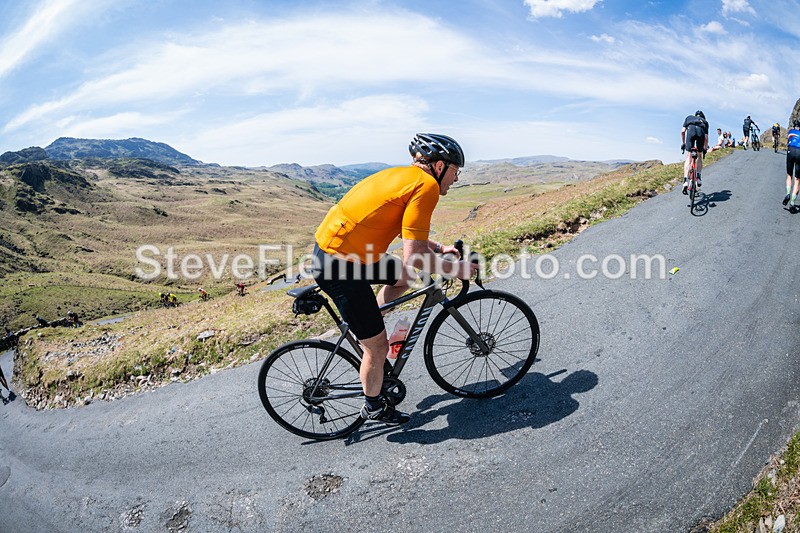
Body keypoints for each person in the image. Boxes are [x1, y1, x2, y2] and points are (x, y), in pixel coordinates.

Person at [312, 133, 477, 425]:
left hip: (345, 252)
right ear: (440, 166)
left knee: (405, 277)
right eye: (455, 171)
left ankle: (369, 327)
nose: (456, 178)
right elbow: (416, 257)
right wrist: (459, 270)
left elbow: (406, 231)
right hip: (340, 266)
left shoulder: (405, 177)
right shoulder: (426, 186)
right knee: (379, 348)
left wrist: (439, 249)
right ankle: (374, 406)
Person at [681, 110, 709, 194]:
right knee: (699, 156)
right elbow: (706, 138)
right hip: (701, 132)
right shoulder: (705, 122)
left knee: (688, 157)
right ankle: (698, 177)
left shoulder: (689, 118)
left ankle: (685, 180)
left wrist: (683, 143)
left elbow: (683, 131)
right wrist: (704, 148)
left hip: (691, 130)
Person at [784, 119, 800, 212]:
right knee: (797, 179)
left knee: (789, 175)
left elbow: (788, 142)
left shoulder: (791, 132)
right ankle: (792, 203)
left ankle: (787, 194)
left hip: (790, 151)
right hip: (799, 152)